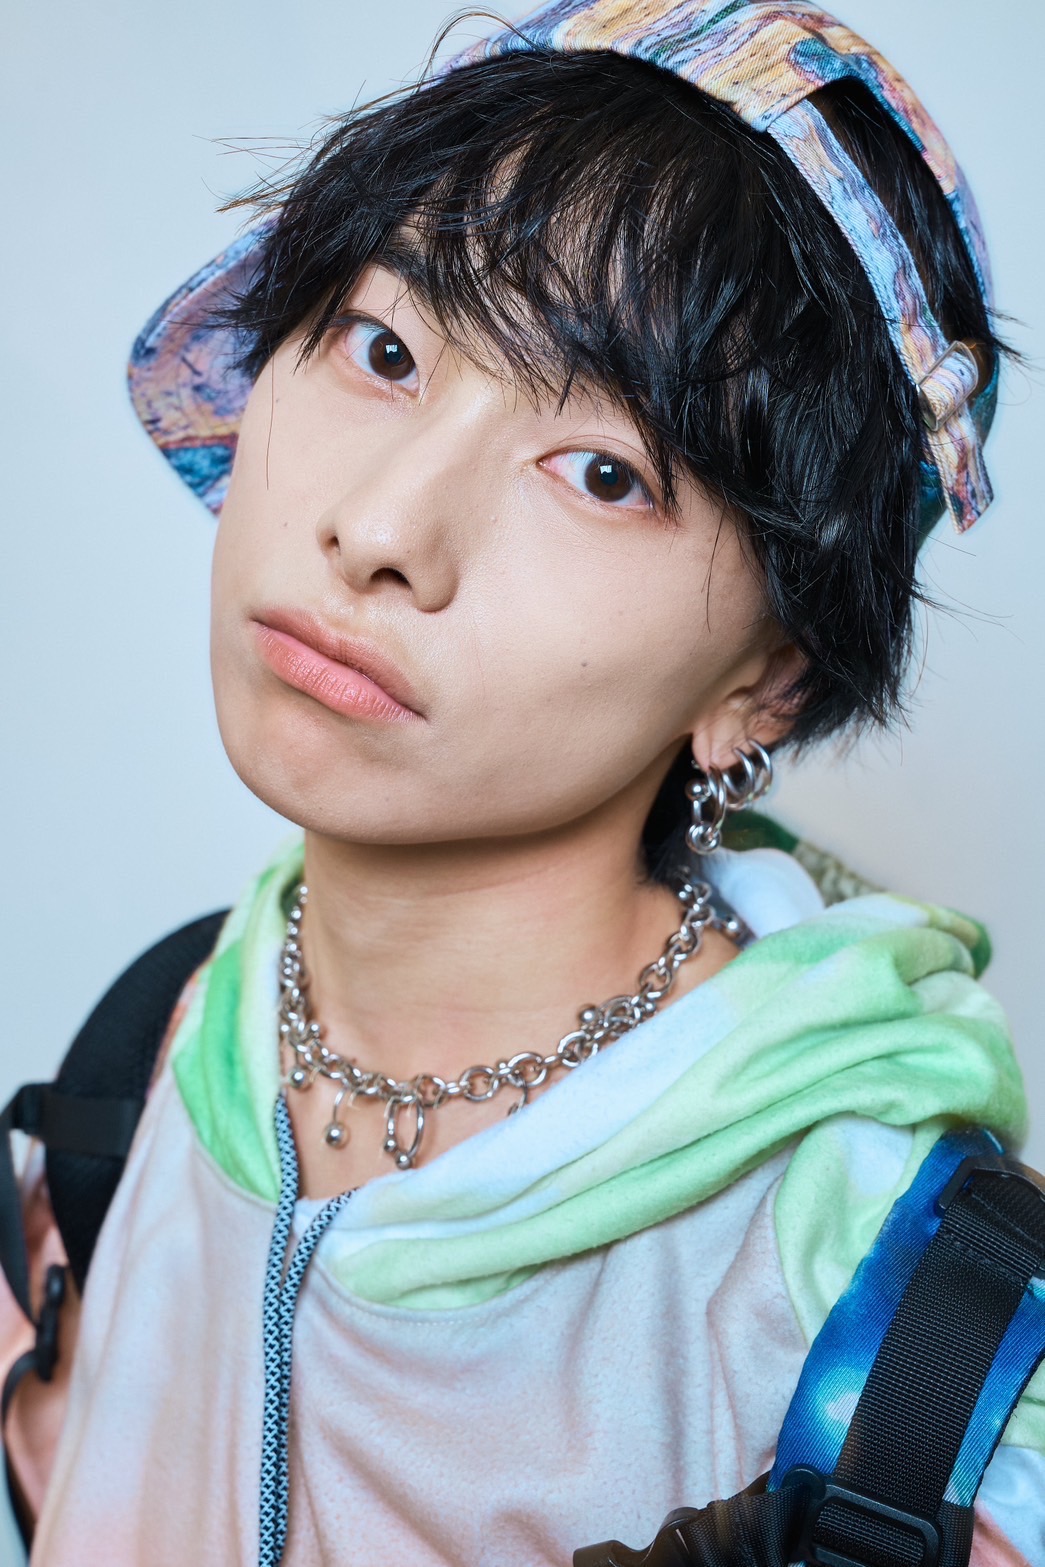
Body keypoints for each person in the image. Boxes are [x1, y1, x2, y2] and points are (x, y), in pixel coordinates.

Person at [1, 0, 1041, 1562]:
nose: (379, 530)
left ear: (764, 681)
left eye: (603, 472)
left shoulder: (900, 1317)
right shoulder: (145, 1057)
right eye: (384, 348)